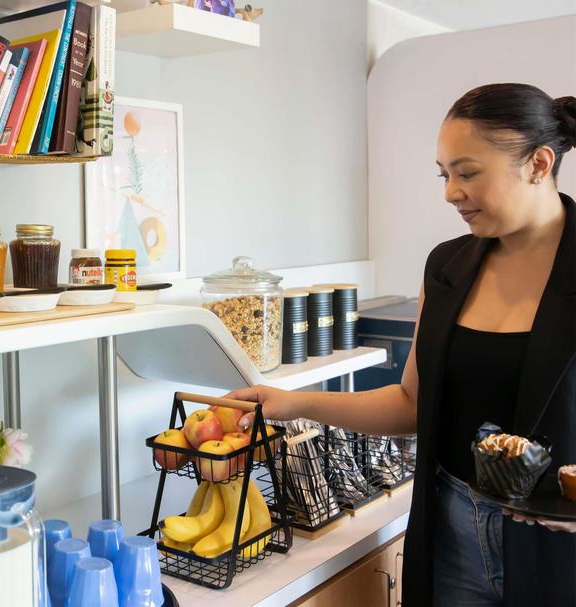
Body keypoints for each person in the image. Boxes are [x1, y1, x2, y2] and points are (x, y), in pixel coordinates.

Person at [228, 83, 576, 607]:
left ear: (539, 164)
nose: (451, 192)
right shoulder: (447, 267)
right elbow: (411, 403)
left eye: (467, 173)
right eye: (444, 174)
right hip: (452, 539)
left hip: (558, 550)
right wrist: (293, 403)